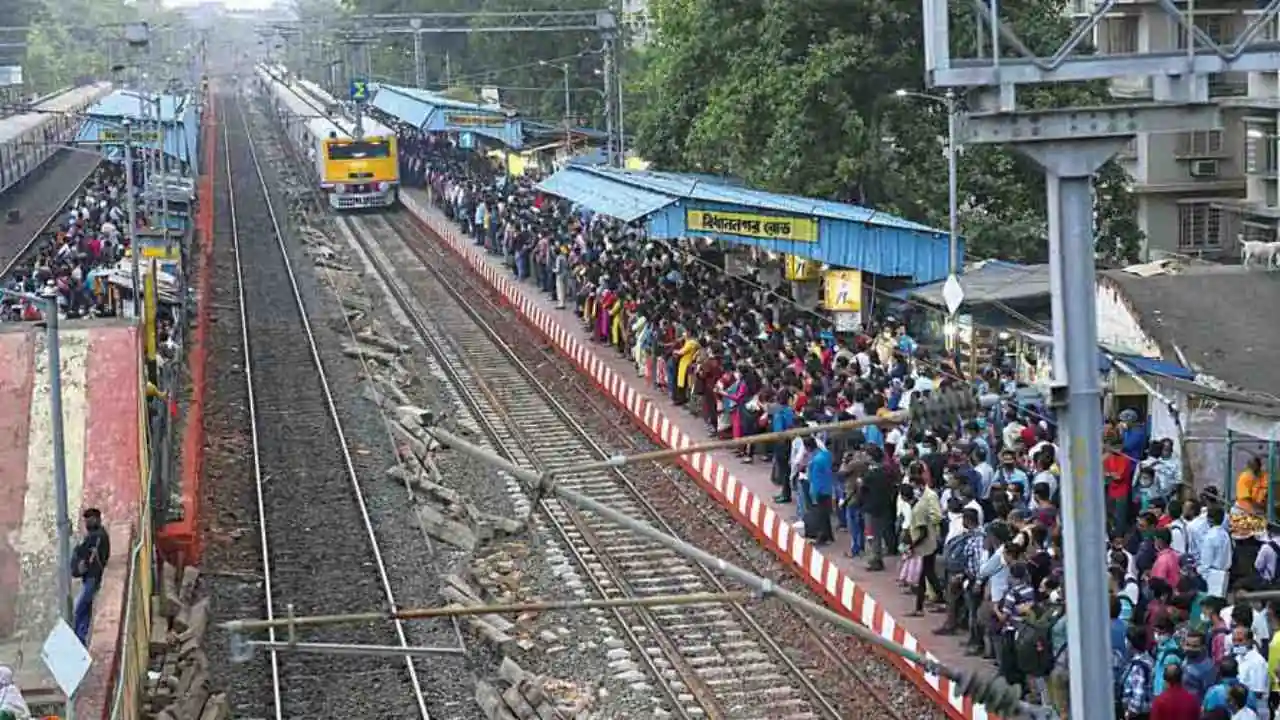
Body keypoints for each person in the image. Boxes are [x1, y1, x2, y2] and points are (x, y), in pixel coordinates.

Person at [71, 507, 110, 645]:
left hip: (92, 578)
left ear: (98, 519)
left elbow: (81, 552)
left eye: (91, 519)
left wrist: (81, 564)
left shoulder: (97, 536)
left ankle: (77, 639)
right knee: (85, 611)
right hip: (90, 578)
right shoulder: (96, 536)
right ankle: (80, 639)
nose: (88, 522)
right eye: (87, 519)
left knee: (79, 609)